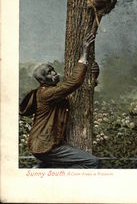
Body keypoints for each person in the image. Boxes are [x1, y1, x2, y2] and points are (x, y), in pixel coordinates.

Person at [20, 33, 100, 168]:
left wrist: (93, 77)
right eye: (48, 73)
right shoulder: (47, 93)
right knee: (92, 162)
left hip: (44, 144)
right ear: (42, 80)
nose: (54, 73)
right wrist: (84, 52)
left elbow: (71, 91)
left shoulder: (51, 92)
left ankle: (42, 169)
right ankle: (44, 171)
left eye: (52, 70)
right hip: (45, 147)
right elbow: (73, 82)